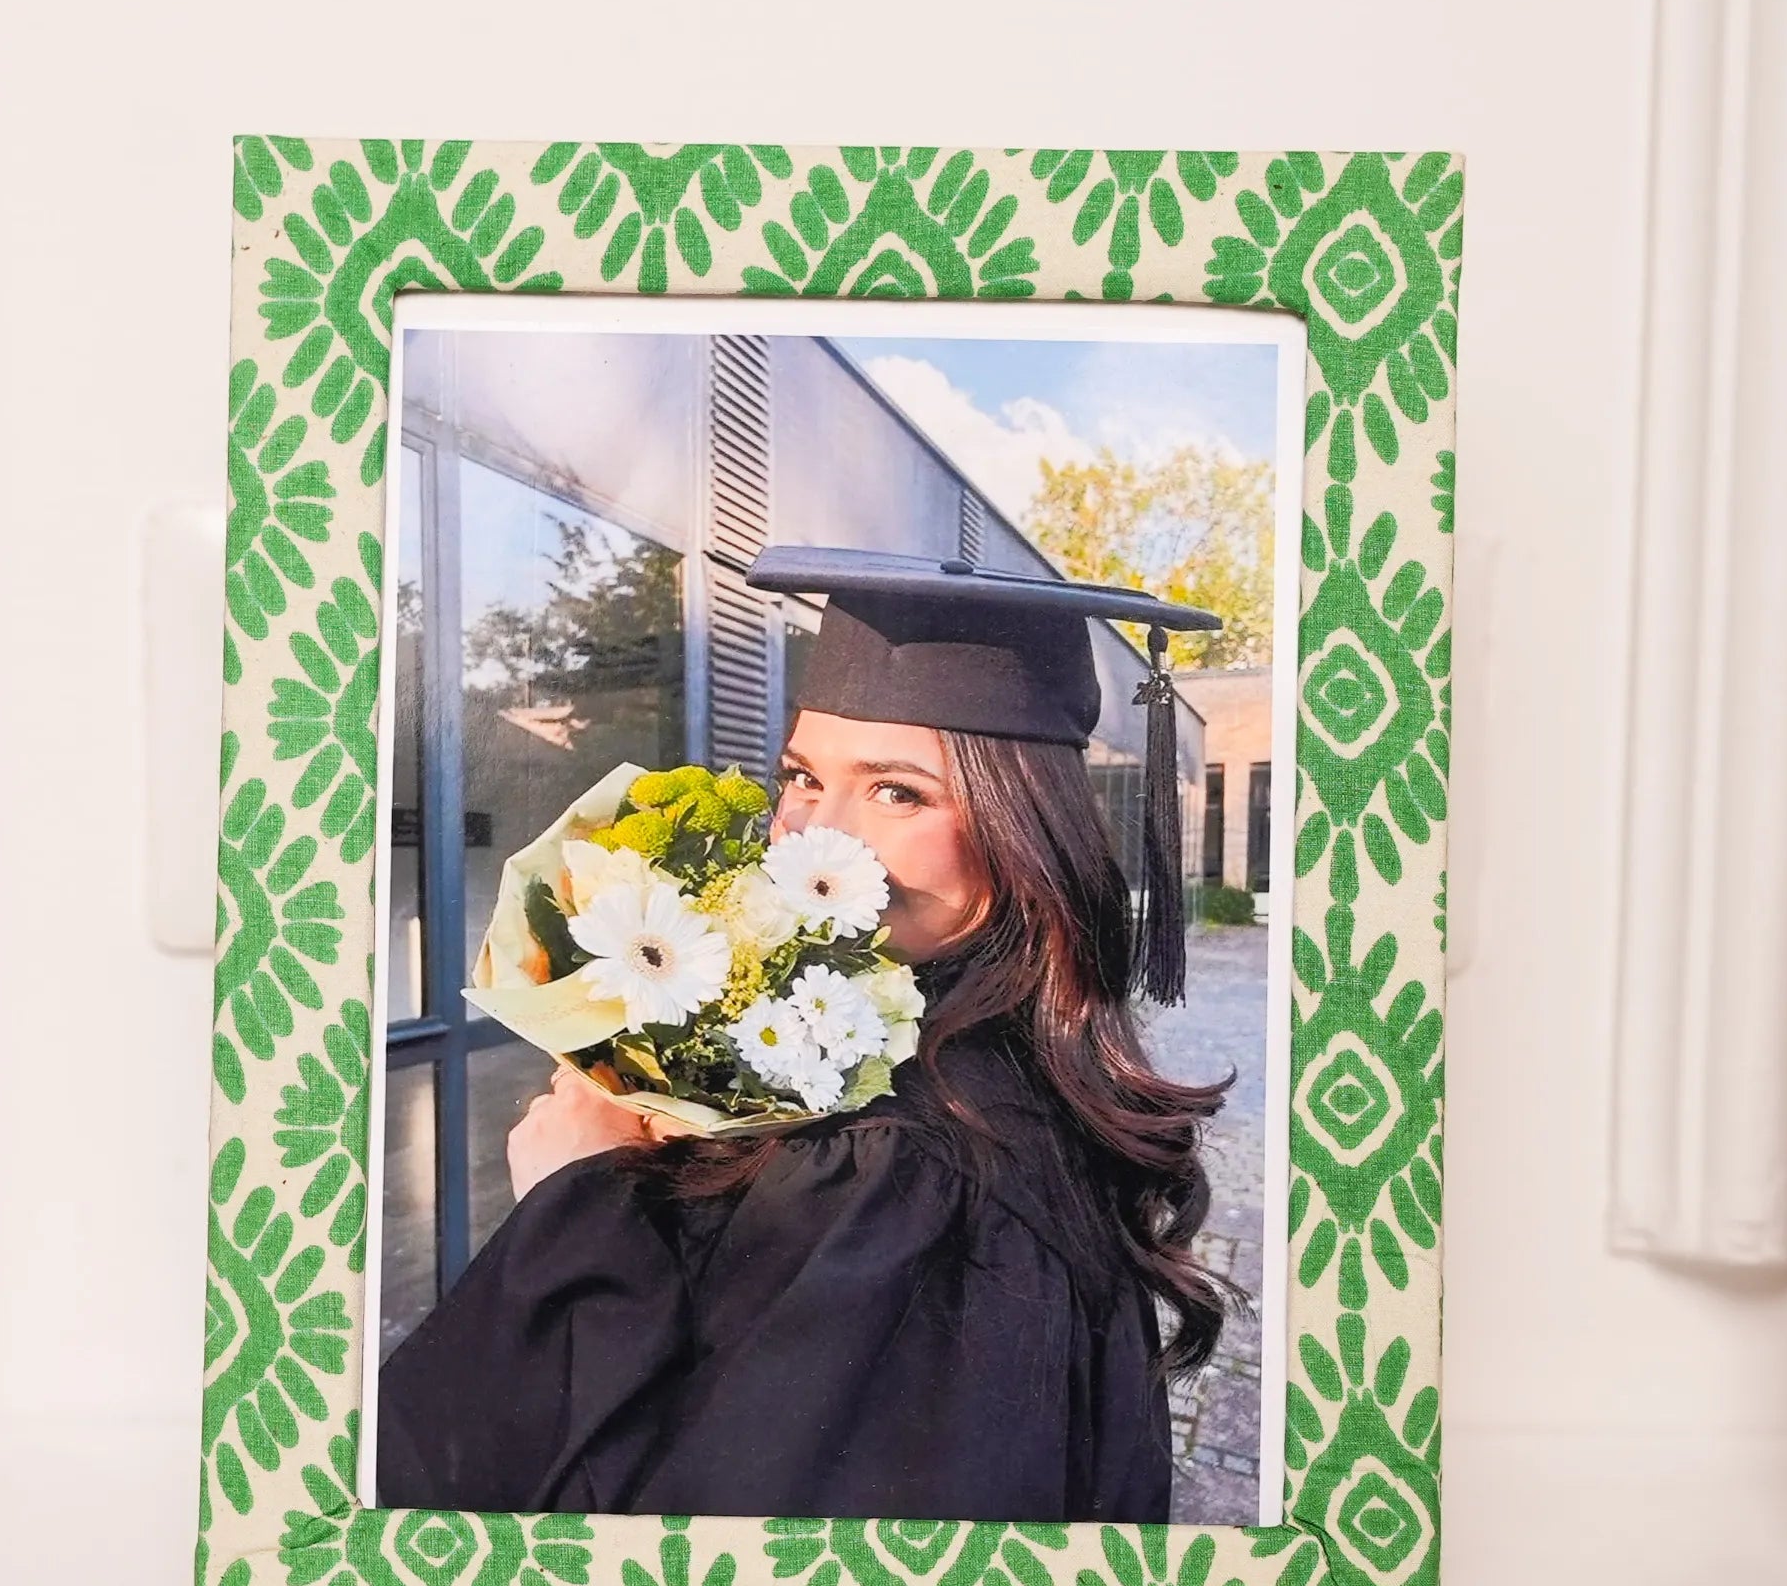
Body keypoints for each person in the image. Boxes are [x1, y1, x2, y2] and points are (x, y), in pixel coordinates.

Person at [376, 546, 1229, 1523]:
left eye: (899, 791)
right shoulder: (952, 1067)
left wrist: (579, 1200)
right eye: (802, 777)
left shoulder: (908, 1171)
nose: (820, 837)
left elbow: (723, 1574)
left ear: (1022, 828)